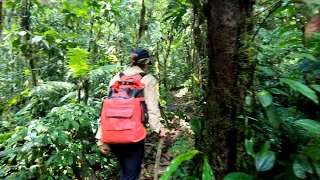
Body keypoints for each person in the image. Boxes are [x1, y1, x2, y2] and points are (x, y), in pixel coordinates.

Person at [95, 48, 166, 180]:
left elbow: (106, 108)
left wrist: (101, 138)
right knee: (131, 174)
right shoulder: (148, 79)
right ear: (146, 63)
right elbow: (152, 108)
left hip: (112, 133)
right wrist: (158, 128)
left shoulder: (116, 77)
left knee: (125, 170)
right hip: (133, 135)